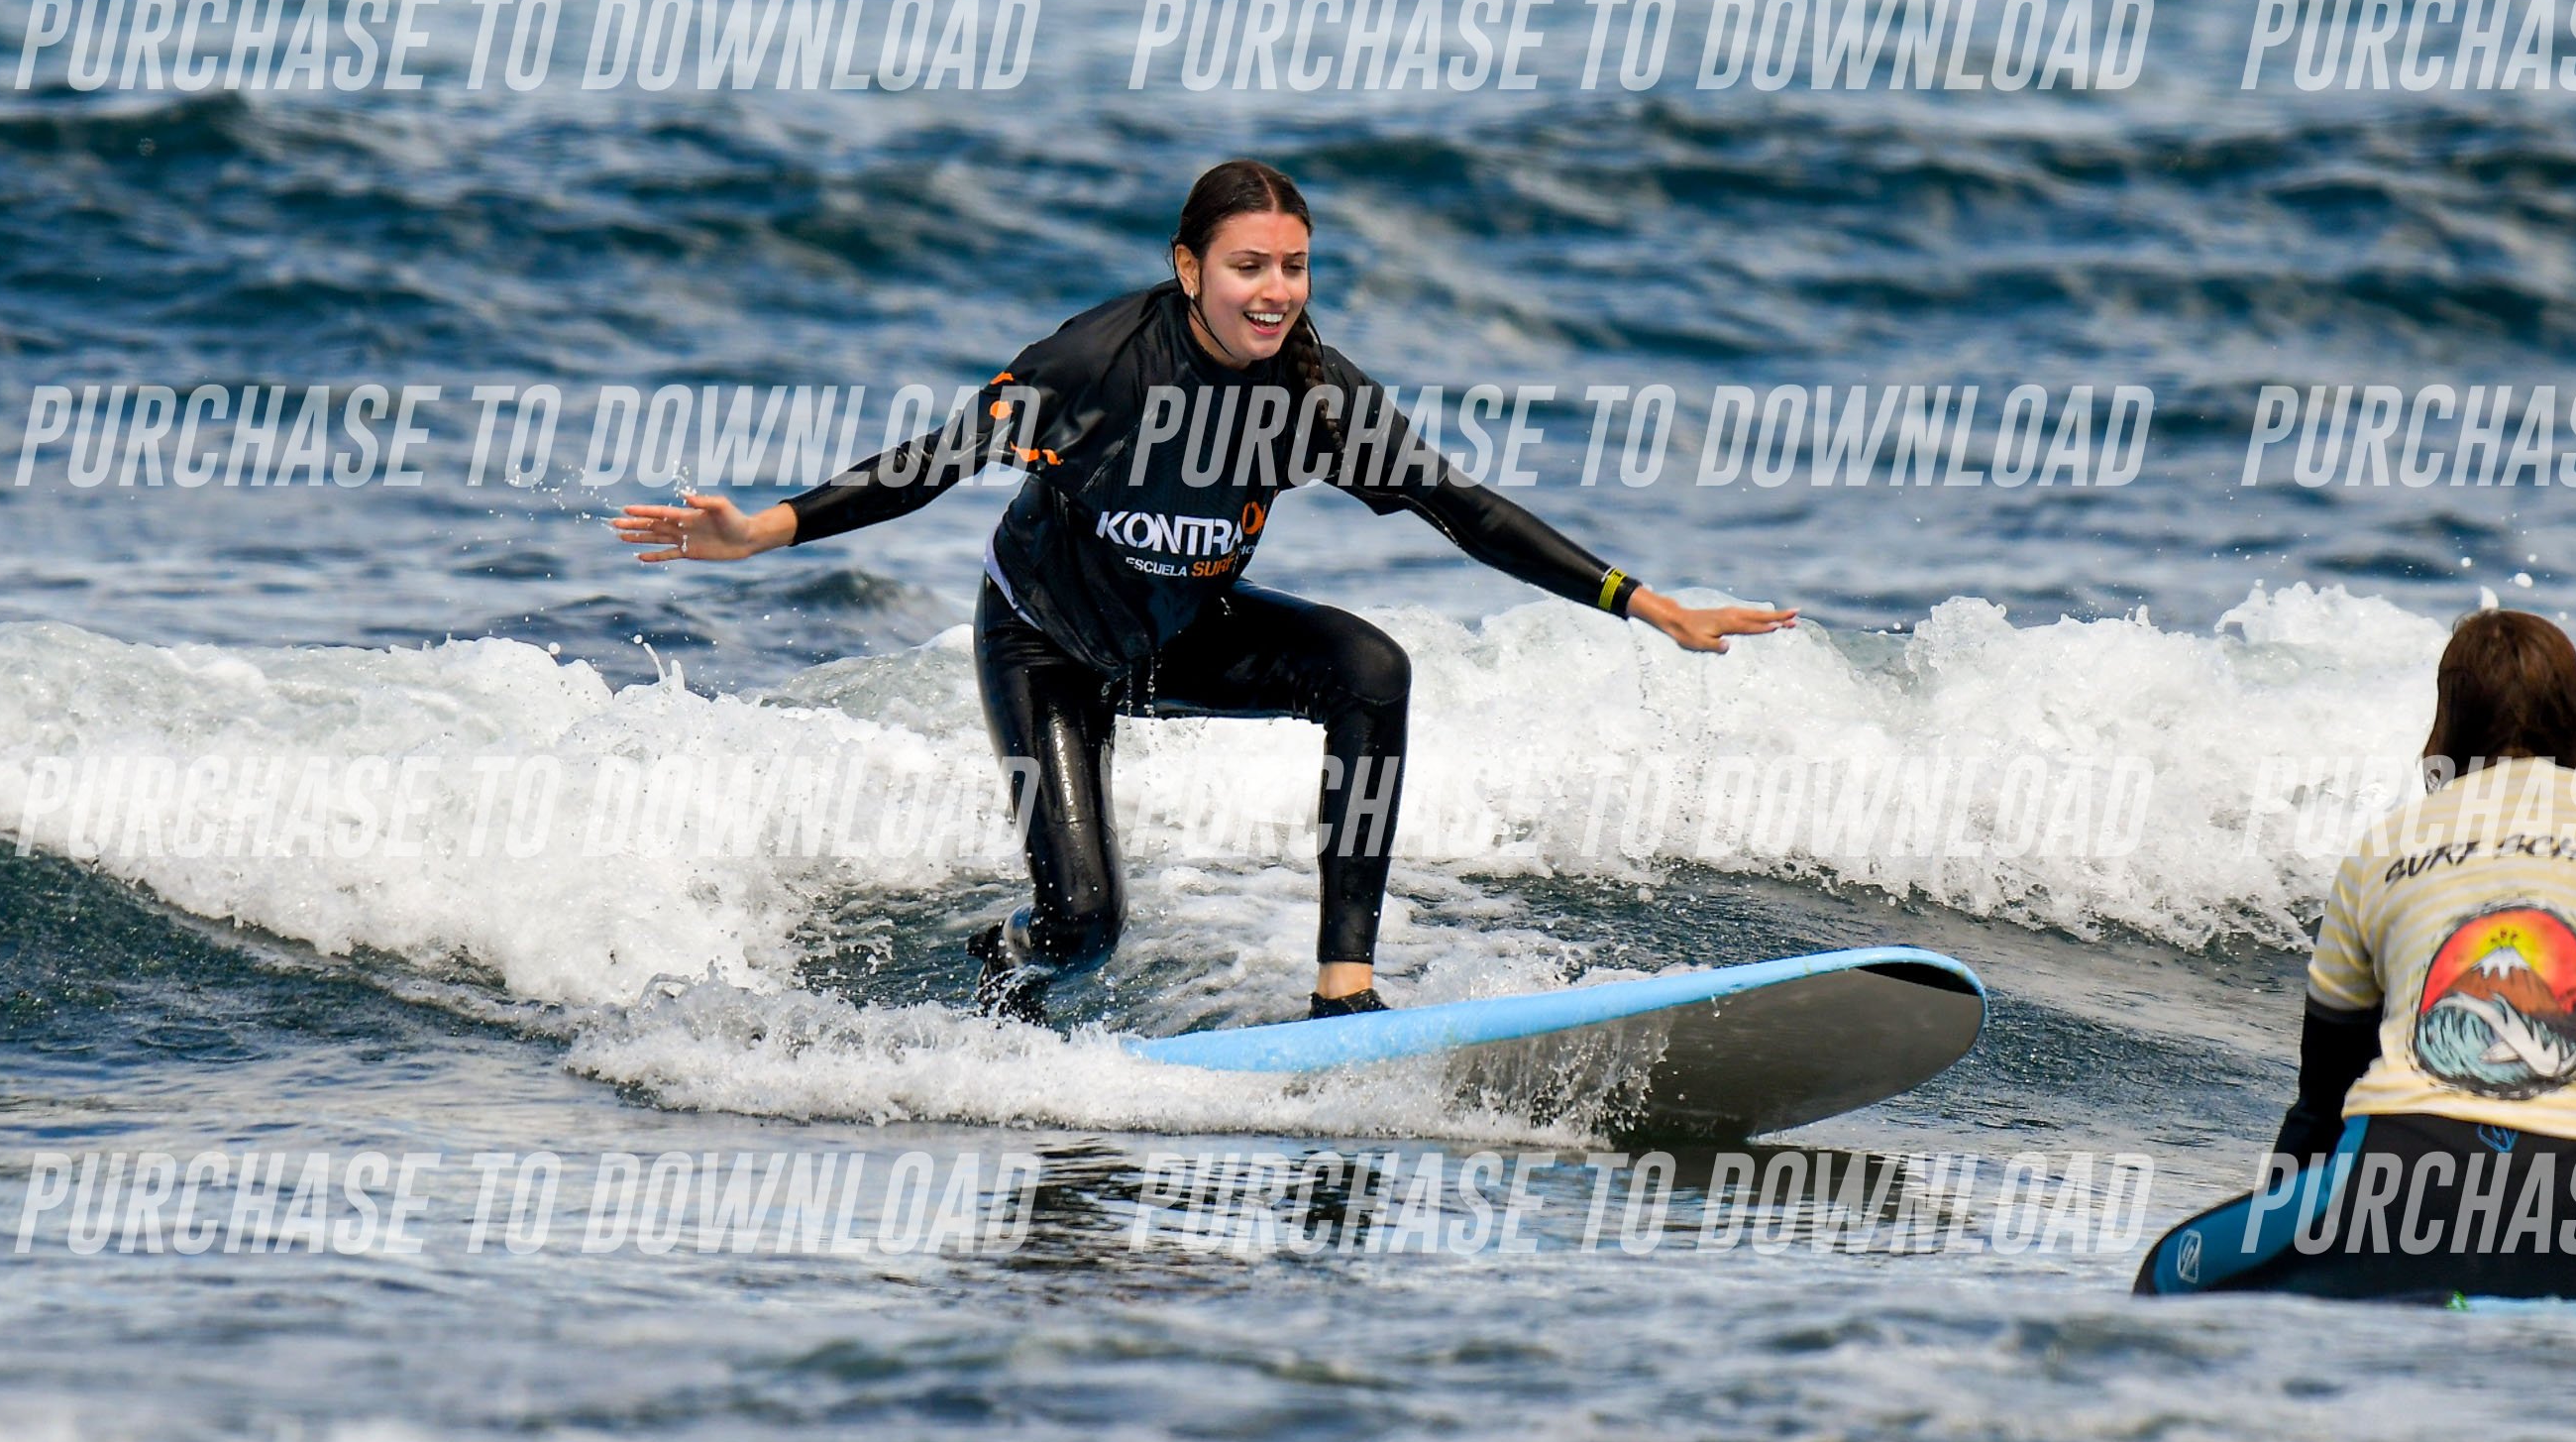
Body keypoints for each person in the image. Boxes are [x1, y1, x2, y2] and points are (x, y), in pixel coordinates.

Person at [611, 159, 1795, 1019]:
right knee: (1083, 932)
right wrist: (764, 529)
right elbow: (936, 460)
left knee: (1370, 671)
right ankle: (1004, 967)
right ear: (1189, 269)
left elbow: (1464, 508)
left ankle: (1343, 991)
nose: (1275, 291)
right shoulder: (1096, 365)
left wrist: (1646, 603)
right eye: (1248, 267)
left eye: (1294, 266)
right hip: (1044, 643)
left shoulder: (1317, 397)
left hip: (1181, 634)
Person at [2263, 609, 2576, 1275]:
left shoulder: (2383, 848)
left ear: (2448, 722)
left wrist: (2263, 1255)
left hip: (2399, 1176)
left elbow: (2319, 1111)